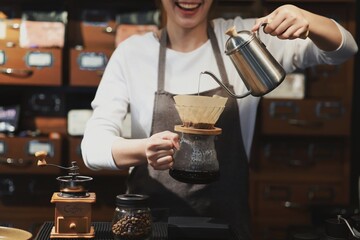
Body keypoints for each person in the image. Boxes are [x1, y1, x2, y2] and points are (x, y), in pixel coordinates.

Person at [81, 0, 358, 238]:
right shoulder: (133, 54)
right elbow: (92, 148)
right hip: (149, 227)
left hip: (227, 225)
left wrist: (307, 19)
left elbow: (345, 49)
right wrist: (144, 149)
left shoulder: (247, 37)